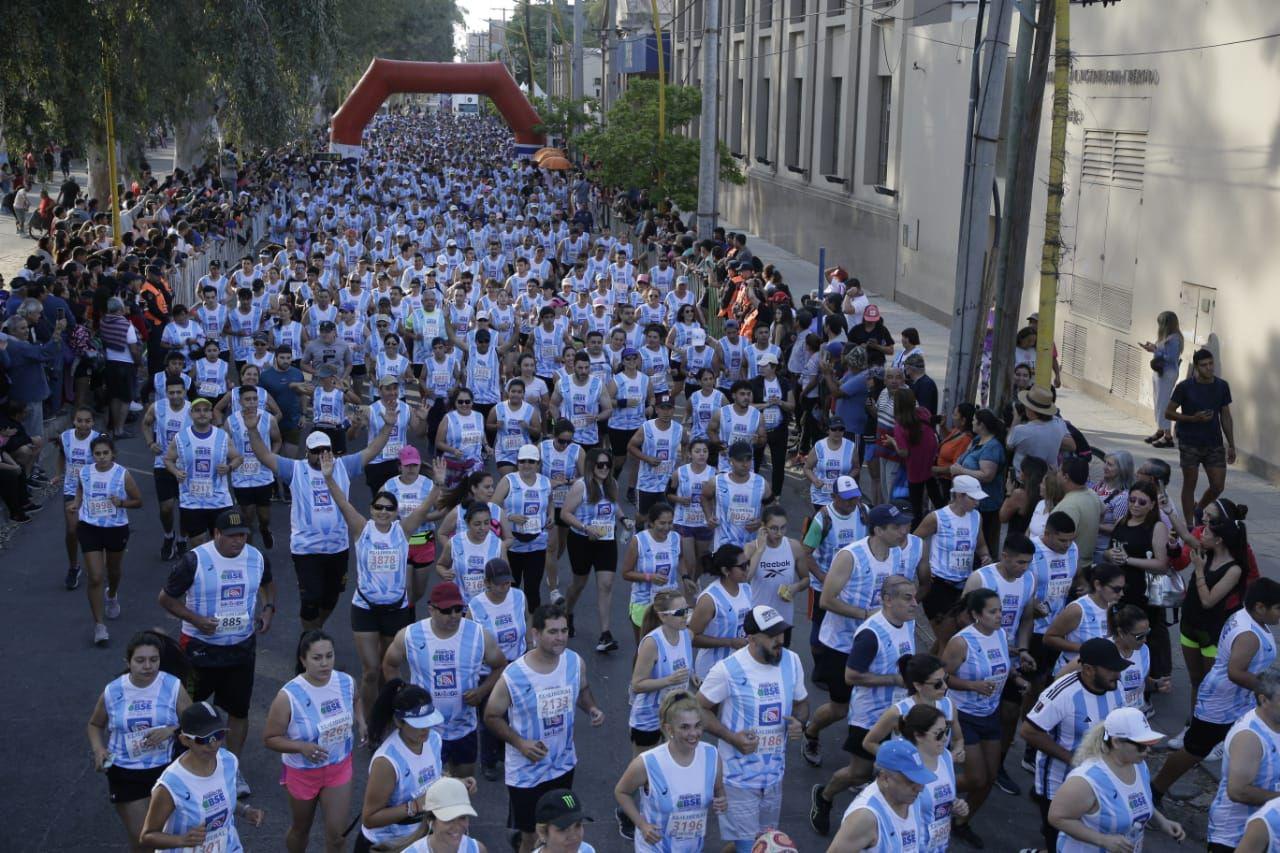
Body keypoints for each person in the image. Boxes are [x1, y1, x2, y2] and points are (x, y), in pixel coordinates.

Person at [158, 507, 276, 797]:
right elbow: (165, 599)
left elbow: (268, 585)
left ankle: (231, 769)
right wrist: (197, 620)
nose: (239, 542)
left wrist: (269, 608)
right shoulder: (195, 560)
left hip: (241, 649)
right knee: (187, 711)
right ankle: (180, 770)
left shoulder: (256, 558)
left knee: (238, 711)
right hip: (199, 650)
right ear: (216, 534)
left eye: (243, 536)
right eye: (232, 536)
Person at [243, 415, 393, 630]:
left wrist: (388, 425)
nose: (322, 454)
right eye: (316, 451)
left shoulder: (344, 466)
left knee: (331, 598)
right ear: (307, 452)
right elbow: (264, 455)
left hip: (337, 547)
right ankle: (309, 637)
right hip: (306, 549)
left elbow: (372, 450)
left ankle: (315, 632)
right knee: (311, 600)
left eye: (326, 450)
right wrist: (253, 431)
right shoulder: (295, 469)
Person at [324, 456, 445, 716]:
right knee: (370, 672)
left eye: (389, 508)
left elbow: (424, 509)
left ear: (396, 512)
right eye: (378, 507)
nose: (383, 512)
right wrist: (327, 477)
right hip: (365, 609)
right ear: (371, 509)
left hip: (396, 609)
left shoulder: (403, 531)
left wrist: (438, 484)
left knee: (390, 669)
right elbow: (343, 503)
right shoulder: (361, 529)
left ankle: (393, 713)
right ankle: (370, 722)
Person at [482, 604, 606, 853]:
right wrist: (520, 743)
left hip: (562, 764)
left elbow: (581, 690)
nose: (560, 637)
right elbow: (491, 715)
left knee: (559, 829)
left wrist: (591, 708)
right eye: (552, 632)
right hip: (527, 773)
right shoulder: (514, 674)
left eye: (564, 630)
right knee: (532, 836)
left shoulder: (573, 662)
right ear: (535, 634)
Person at [807, 504, 923, 760]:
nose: (903, 532)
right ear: (878, 530)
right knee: (840, 708)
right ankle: (811, 732)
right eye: (896, 527)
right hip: (841, 643)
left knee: (876, 705)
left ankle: (864, 761)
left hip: (877, 644)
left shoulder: (895, 555)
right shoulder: (850, 556)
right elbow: (826, 600)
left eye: (904, 526)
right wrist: (866, 616)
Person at [1151, 578, 1280, 805]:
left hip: (1236, 702)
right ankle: (1154, 792)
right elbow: (1236, 672)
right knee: (1194, 750)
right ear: (1260, 607)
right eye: (1278, 608)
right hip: (1221, 704)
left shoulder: (1248, 617)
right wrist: (1269, 691)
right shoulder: (1249, 636)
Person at [810, 576, 918, 832]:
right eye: (908, 598)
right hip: (869, 715)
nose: (915, 603)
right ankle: (823, 796)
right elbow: (851, 676)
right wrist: (893, 679)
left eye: (915, 597)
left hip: (898, 713)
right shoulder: (870, 634)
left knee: (894, 769)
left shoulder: (907, 624)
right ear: (887, 600)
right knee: (858, 773)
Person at [697, 605, 809, 853]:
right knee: (750, 848)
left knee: (761, 844)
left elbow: (802, 703)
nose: (780, 640)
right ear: (751, 637)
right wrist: (731, 738)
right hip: (738, 780)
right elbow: (698, 709)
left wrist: (799, 722)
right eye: (772, 635)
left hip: (774, 777)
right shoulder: (728, 670)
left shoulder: (792, 661)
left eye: (782, 633)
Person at [383, 581, 508, 779]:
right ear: (431, 609)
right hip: (425, 731)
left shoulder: (478, 635)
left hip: (464, 728)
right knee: (428, 792)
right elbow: (390, 664)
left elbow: (500, 665)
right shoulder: (410, 636)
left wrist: (481, 692)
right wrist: (404, 695)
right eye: (447, 610)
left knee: (462, 788)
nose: (454, 615)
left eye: (459, 609)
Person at [86, 631, 192, 853]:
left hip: (165, 771)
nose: (148, 666)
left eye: (154, 660)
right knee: (144, 840)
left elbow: (194, 722)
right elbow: (95, 725)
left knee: (163, 835)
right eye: (140, 660)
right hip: (125, 771)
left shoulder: (172, 686)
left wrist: (171, 730)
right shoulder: (114, 690)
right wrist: (99, 750)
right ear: (128, 662)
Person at [1021, 638, 1129, 851]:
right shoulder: (1062, 694)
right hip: (1058, 783)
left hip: (1099, 781)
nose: (1117, 675)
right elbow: (1029, 731)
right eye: (1111, 670)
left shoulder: (1116, 688)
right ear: (1088, 669)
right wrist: (1073, 759)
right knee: (1058, 841)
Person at [263, 630, 365, 853]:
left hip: (338, 767)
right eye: (317, 658)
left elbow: (356, 699)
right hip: (302, 772)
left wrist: (361, 721)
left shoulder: (346, 682)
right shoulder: (287, 696)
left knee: (337, 836)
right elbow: (270, 738)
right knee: (301, 829)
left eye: (329, 656)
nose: (325, 663)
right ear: (303, 660)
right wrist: (301, 747)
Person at [963, 532, 1039, 797]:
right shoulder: (981, 579)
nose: (1025, 568)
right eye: (1019, 562)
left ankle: (998, 765)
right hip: (980, 657)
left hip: (1010, 658)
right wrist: (993, 644)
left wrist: (1024, 649)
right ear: (1004, 556)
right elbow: (963, 620)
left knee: (1009, 714)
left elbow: (1027, 617)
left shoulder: (1028, 579)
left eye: (1028, 562)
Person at [1048, 706, 1184, 851]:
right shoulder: (1085, 780)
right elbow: (1057, 817)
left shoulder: (1139, 766)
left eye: (1150, 743)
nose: (1148, 750)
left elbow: (1136, 800)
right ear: (1117, 742)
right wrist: (1103, 840)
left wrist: (1162, 821)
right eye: (1141, 746)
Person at [940, 589, 1016, 846]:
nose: (999, 617)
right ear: (975, 615)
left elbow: (1002, 667)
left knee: (990, 777)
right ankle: (929, 789)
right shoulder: (961, 642)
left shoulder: (1001, 635)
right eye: (992, 612)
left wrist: (1017, 675)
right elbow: (942, 677)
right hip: (963, 716)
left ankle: (960, 822)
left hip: (989, 714)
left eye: (1000, 611)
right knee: (976, 778)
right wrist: (972, 686)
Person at [139, 702, 265, 850]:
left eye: (218, 735)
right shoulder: (171, 784)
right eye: (203, 739)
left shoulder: (229, 761)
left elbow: (222, 799)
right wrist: (182, 840)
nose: (213, 745)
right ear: (185, 740)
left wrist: (245, 811)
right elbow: (146, 836)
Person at [356, 679, 463, 853]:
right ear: (399, 722)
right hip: (386, 845)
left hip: (420, 839)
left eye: (428, 721)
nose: (425, 730)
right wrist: (415, 807)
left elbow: (430, 779)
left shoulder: (434, 740)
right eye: (419, 724)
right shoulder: (386, 762)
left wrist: (456, 782)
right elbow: (369, 818)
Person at [615, 689, 727, 852]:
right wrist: (642, 825)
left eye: (697, 725)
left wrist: (722, 800)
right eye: (685, 727)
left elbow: (718, 790)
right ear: (669, 729)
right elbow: (621, 792)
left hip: (693, 848)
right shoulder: (647, 762)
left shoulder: (712, 755)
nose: (693, 734)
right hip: (655, 848)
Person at [70, 435, 142, 644]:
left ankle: (112, 595)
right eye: (97, 454)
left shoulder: (122, 474)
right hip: (89, 527)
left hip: (116, 528)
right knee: (95, 577)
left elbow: (138, 501)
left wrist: (121, 503)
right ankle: (99, 626)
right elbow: (80, 490)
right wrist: (76, 503)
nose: (101, 457)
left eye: (105, 453)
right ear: (92, 455)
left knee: (113, 571)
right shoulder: (85, 472)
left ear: (113, 454)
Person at [1205, 669, 1280, 852]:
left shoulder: (1275, 721)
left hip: (1267, 831)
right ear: (1264, 700)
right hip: (1233, 838)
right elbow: (1238, 792)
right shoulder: (1249, 737)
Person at [467, 558, 529, 781]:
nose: (505, 587)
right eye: (500, 583)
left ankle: (508, 750)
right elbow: (471, 641)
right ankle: (489, 760)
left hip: (516, 665)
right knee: (491, 716)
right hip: (490, 671)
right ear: (487, 583)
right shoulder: (475, 606)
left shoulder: (518, 597)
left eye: (508, 583)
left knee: (516, 713)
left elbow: (526, 625)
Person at [915, 475, 990, 653]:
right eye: (973, 499)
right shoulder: (937, 517)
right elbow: (913, 542)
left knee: (951, 637)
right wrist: (923, 568)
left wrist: (985, 556)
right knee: (947, 640)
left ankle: (926, 668)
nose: (977, 504)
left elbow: (980, 544)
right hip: (939, 586)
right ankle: (938, 677)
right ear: (958, 495)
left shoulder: (976, 517)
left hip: (964, 587)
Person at [561, 446, 623, 651]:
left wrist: (623, 518)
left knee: (606, 585)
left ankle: (605, 634)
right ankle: (567, 612)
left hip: (606, 540)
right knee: (579, 583)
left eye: (608, 465)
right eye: (600, 465)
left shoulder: (612, 484)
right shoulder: (581, 486)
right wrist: (585, 528)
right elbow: (565, 514)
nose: (604, 468)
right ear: (591, 466)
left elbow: (615, 506)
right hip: (582, 540)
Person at [1166, 347, 1235, 525]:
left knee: (1218, 485)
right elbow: (1169, 413)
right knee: (1190, 483)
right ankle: (1190, 523)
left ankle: (1200, 508)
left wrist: (1232, 444)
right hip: (1190, 442)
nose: (1209, 368)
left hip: (1214, 443)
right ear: (1196, 367)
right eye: (1204, 365)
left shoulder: (1222, 386)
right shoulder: (1185, 387)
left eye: (1211, 363)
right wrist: (1191, 418)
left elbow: (1225, 415)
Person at [826, 739, 933, 851]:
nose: (920, 788)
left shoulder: (910, 797)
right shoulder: (864, 818)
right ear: (885, 778)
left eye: (920, 779)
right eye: (911, 781)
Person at [164, 396, 242, 548]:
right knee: (197, 542)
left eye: (206, 410)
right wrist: (175, 472)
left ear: (211, 414)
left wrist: (229, 467)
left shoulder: (222, 436)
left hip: (219, 500)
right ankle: (199, 570)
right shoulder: (181, 437)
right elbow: (167, 459)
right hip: (191, 501)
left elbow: (238, 458)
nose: (202, 414)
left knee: (220, 543)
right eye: (197, 410)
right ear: (191, 414)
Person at [897, 703, 967, 852]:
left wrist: (956, 806)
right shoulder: (904, 769)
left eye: (946, 731)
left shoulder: (946, 757)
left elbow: (942, 800)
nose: (945, 738)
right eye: (939, 733)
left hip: (938, 846)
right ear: (918, 735)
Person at [492, 443, 553, 611]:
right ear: (517, 462)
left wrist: (551, 515)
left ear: (538, 464)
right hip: (513, 544)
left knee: (533, 590)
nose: (526, 465)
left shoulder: (544, 482)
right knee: (511, 588)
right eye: (522, 461)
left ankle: (532, 633)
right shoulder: (509, 481)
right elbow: (492, 508)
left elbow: (550, 501)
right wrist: (511, 517)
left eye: (531, 461)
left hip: (537, 543)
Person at [742, 505, 812, 644]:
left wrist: (796, 588)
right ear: (763, 527)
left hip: (783, 620)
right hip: (759, 618)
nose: (779, 533)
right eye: (774, 528)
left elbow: (806, 579)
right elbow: (745, 578)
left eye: (783, 528)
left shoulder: (794, 547)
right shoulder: (751, 548)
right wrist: (761, 548)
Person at [1044, 563, 1128, 675]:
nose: (1121, 593)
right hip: (1074, 672)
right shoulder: (1077, 609)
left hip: (1101, 673)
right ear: (1098, 585)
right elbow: (1049, 638)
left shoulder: (1114, 607)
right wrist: (1085, 649)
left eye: (1123, 588)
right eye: (1116, 589)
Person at [143, 378, 193, 560]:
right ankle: (168, 536)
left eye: (178, 392)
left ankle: (182, 539)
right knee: (166, 507)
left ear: (185, 392)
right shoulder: (157, 407)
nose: (175, 396)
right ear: (166, 393)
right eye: (171, 392)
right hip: (163, 463)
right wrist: (150, 442)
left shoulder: (192, 409)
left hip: (187, 466)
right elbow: (146, 424)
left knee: (185, 507)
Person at [621, 502, 684, 642]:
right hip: (644, 603)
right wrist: (649, 577)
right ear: (651, 522)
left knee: (668, 645)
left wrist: (685, 577)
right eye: (662, 523)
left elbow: (680, 560)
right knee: (644, 649)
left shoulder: (675, 538)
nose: (667, 528)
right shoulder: (639, 541)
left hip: (669, 601)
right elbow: (625, 573)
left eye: (670, 523)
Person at [948, 408, 1006, 552]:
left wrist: (961, 471)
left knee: (981, 541)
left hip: (984, 505)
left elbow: (987, 475)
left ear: (982, 425)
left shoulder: (992, 447)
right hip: (967, 500)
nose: (972, 422)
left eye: (974, 420)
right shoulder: (977, 440)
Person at [56, 406, 99, 590]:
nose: (83, 424)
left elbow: (108, 461)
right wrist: (59, 474)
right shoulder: (65, 437)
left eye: (87, 421)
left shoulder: (98, 439)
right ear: (73, 421)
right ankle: (74, 566)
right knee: (72, 529)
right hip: (71, 489)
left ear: (93, 422)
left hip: (93, 491)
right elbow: (61, 456)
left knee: (94, 530)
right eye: (79, 420)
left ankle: (95, 563)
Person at [702, 440, 771, 551]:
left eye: (748, 459)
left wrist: (762, 522)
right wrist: (708, 516)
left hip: (751, 548)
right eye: (740, 460)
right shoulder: (717, 482)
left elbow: (772, 506)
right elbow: (705, 497)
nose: (745, 464)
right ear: (730, 461)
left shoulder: (762, 483)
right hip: (723, 547)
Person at [1055, 456, 1103, 576]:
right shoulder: (1092, 494)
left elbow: (1057, 541)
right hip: (1085, 565)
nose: (1057, 474)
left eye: (1059, 471)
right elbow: (1103, 511)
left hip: (1070, 570)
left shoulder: (1067, 506)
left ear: (1065, 477)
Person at [1007, 385, 1074, 471]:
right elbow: (1072, 446)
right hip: (1048, 479)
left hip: (1024, 479)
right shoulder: (1059, 423)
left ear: (1031, 409)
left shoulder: (1021, 430)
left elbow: (1009, 445)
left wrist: (1015, 419)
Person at [533, 788, 599, 853]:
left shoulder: (587, 850)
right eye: (563, 829)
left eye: (578, 825)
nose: (574, 837)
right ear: (542, 833)